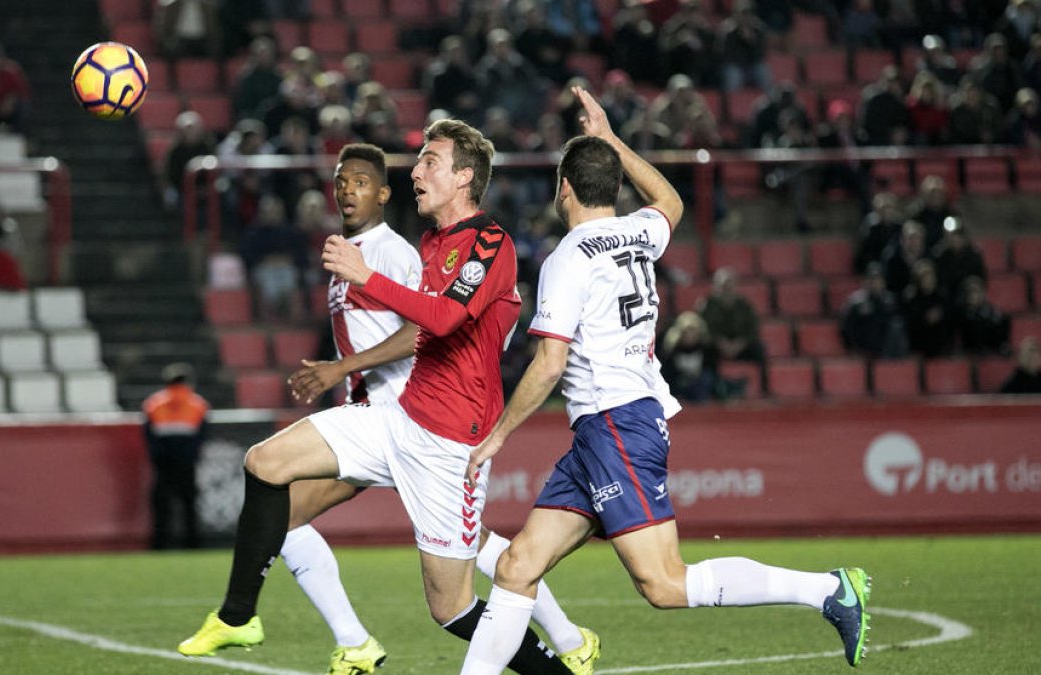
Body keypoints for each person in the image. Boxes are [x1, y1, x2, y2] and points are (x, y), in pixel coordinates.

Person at [458, 86, 871, 674]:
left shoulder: (569, 257)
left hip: (616, 424)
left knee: (665, 584)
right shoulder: (637, 234)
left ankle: (827, 589)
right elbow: (671, 201)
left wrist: (496, 437)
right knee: (517, 566)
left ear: (564, 190)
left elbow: (549, 363)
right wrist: (612, 140)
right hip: (607, 429)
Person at [178, 121, 592, 675]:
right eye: (418, 162)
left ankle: (559, 664)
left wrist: (365, 277)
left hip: (451, 444)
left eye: (430, 162)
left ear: (464, 177)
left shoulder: (490, 243)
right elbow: (425, 327)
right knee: (265, 463)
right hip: (398, 416)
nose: (417, 171)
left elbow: (444, 319)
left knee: (451, 610)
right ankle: (238, 617)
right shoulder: (433, 242)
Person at [143, 363, 209, 550]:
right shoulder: (198, 404)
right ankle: (193, 544)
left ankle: (160, 544)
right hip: (187, 462)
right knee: (189, 504)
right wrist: (192, 456)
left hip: (163, 463)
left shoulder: (154, 404)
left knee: (162, 506)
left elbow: (149, 437)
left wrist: (158, 458)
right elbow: (202, 436)